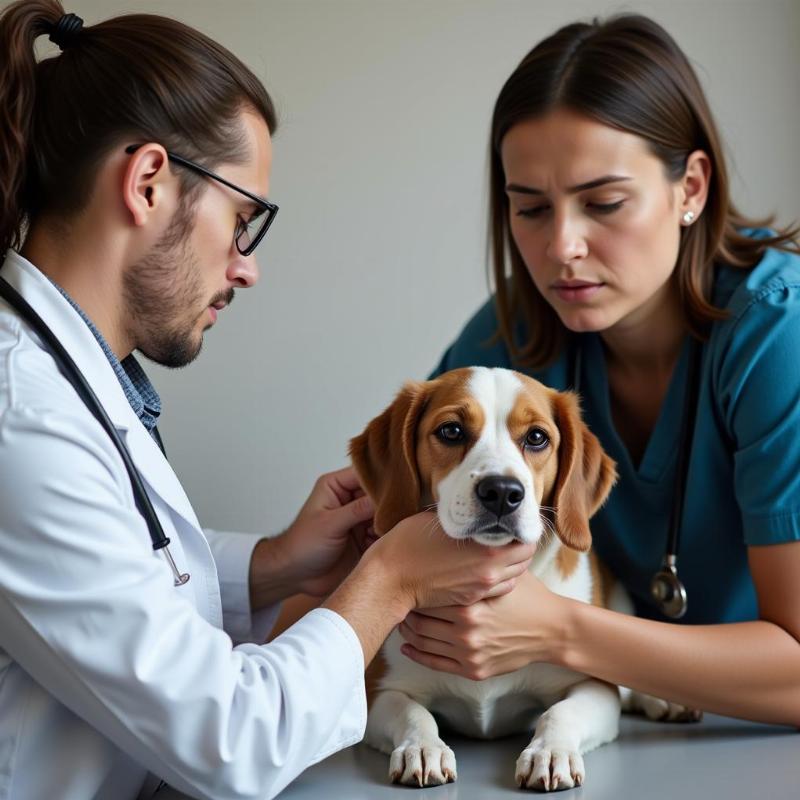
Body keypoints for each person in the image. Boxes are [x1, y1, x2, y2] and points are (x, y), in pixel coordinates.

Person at [0, 2, 537, 799]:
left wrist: (278, 564)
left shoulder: (72, 381)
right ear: (148, 183)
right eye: (243, 220)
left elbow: (124, 570)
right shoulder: (22, 420)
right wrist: (390, 578)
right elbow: (234, 743)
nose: (247, 267)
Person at [398, 14, 800, 727]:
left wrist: (558, 631)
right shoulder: (515, 332)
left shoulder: (779, 335)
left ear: (692, 189)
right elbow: (402, 514)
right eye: (529, 208)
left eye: (604, 203)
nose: (562, 247)